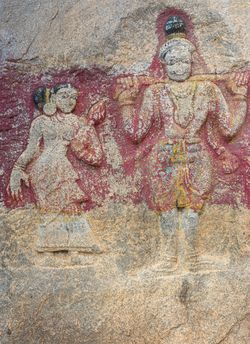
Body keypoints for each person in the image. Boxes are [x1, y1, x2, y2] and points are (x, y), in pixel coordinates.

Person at [115, 16, 248, 272]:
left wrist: (238, 95)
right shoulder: (155, 92)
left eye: (184, 61)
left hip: (197, 155)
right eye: (173, 62)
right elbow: (135, 133)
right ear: (164, 64)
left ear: (192, 61)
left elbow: (229, 129)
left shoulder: (208, 90)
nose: (179, 67)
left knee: (192, 208)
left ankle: (192, 258)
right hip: (164, 155)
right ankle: (167, 259)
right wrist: (126, 101)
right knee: (166, 208)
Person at [8, 83, 105, 214]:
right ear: (53, 98)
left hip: (62, 170)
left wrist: (90, 126)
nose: (69, 101)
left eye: (73, 97)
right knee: (51, 216)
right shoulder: (40, 121)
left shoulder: (78, 122)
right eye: (64, 96)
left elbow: (97, 158)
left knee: (72, 213)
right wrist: (17, 169)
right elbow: (32, 150)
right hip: (40, 172)